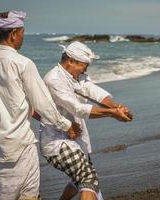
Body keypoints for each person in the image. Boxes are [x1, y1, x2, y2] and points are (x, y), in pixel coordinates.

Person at [0, 11, 81, 200]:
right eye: (23, 33)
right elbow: (43, 103)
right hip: (19, 144)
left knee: (2, 192)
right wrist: (67, 125)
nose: (22, 38)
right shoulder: (23, 63)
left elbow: (6, 99)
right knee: (22, 194)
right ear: (14, 34)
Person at [37, 41, 133, 200]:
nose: (86, 69)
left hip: (75, 139)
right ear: (70, 61)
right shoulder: (54, 80)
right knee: (89, 180)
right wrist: (112, 113)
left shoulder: (77, 76)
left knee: (81, 181)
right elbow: (77, 109)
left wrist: (116, 107)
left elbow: (94, 92)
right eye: (84, 65)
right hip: (57, 143)